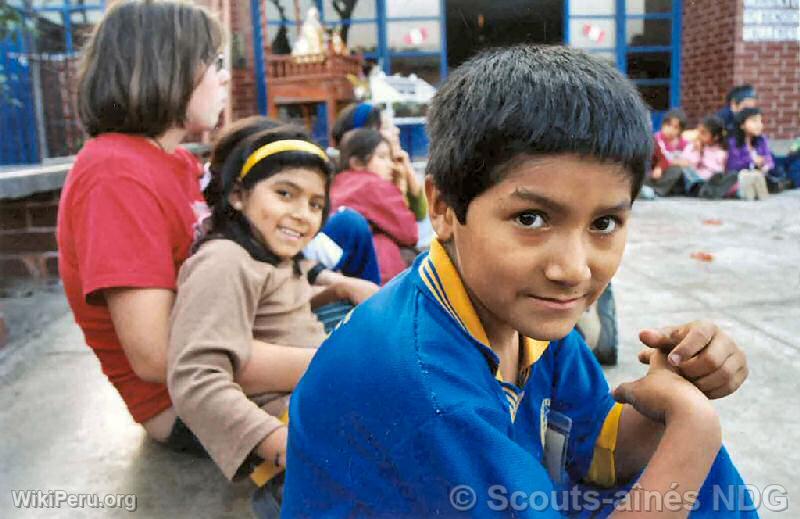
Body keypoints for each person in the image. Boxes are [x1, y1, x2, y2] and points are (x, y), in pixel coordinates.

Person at [282, 45, 753, 518]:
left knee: (696, 472)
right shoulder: (429, 392)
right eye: (531, 218)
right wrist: (694, 429)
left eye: (604, 223)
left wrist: (674, 391)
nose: (573, 269)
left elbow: (594, 445)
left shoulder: (523, 313)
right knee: (692, 458)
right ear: (443, 208)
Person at [56, 1, 312, 453]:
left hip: (246, 342)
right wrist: (327, 363)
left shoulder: (175, 161)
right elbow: (157, 356)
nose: (225, 78)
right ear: (166, 66)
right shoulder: (113, 174)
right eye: (214, 63)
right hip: (191, 403)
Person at [168, 124, 377, 518]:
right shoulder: (223, 262)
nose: (301, 214)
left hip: (324, 404)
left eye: (315, 204)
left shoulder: (270, 254)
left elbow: (287, 299)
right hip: (297, 428)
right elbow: (196, 378)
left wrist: (339, 287)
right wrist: (283, 447)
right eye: (285, 194)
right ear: (238, 195)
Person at [331, 128, 419, 284]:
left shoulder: (337, 182)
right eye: (382, 157)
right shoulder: (374, 185)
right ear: (357, 163)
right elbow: (410, 233)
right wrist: (399, 190)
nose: (390, 165)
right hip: (379, 275)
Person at [726, 107, 774, 201]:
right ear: (742, 125)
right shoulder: (733, 142)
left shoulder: (762, 140)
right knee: (745, 175)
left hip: (760, 174)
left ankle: (756, 190)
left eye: (760, 121)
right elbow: (733, 165)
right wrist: (752, 161)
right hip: (738, 177)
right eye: (754, 121)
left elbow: (769, 160)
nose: (759, 125)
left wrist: (765, 165)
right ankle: (748, 191)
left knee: (759, 175)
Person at [682, 115, 733, 198]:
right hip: (696, 182)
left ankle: (714, 190)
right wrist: (698, 151)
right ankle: (704, 190)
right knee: (687, 171)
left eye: (703, 133)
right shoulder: (692, 146)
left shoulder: (721, 151)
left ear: (715, 137)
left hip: (711, 180)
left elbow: (719, 170)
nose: (699, 135)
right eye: (699, 131)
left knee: (731, 174)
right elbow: (688, 163)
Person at [647, 108, 695, 196]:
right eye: (668, 125)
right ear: (662, 125)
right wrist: (660, 167)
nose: (671, 130)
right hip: (655, 172)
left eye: (676, 128)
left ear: (680, 131)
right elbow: (662, 158)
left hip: (670, 175)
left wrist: (673, 162)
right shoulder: (657, 139)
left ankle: (657, 190)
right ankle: (652, 190)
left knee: (677, 170)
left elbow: (687, 162)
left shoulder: (684, 143)